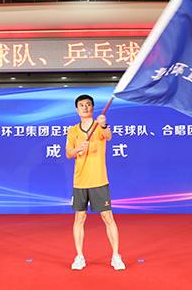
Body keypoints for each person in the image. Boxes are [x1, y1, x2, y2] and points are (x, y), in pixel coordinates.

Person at [66, 94, 125, 271]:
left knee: (108, 218)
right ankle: (79, 257)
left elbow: (108, 136)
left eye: (88, 105)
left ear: (92, 107)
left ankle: (116, 256)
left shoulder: (99, 125)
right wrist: (78, 149)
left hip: (99, 180)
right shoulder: (73, 131)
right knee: (79, 219)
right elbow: (68, 153)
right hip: (80, 182)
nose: (85, 107)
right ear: (77, 109)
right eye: (81, 105)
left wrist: (104, 124)